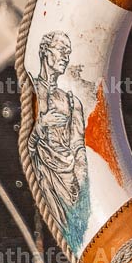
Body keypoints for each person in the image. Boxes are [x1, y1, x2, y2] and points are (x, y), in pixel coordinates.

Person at [28, 31, 89, 248]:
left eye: (68, 52)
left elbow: (77, 144)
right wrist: (41, 125)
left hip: (68, 178)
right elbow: (27, 149)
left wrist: (81, 178)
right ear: (45, 52)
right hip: (44, 177)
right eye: (61, 51)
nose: (66, 56)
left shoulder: (71, 101)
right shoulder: (30, 91)